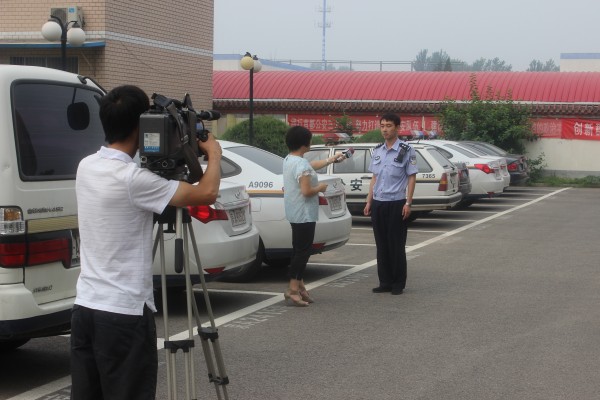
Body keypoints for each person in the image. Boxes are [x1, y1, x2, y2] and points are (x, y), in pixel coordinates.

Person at [71, 85, 222, 400]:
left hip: (86, 307)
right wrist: (214, 153)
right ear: (141, 125)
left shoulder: (86, 166)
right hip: (123, 314)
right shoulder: (132, 180)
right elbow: (206, 193)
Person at [282, 126, 345, 306]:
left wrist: (331, 159)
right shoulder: (301, 164)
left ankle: (300, 286)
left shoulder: (290, 159)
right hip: (304, 213)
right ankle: (293, 289)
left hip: (294, 212)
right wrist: (320, 188)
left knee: (298, 250)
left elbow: (310, 167)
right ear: (304, 144)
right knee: (303, 251)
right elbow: (307, 191)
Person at [363, 113, 418, 296]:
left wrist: (408, 202)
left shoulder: (406, 150)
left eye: (388, 126)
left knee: (396, 244)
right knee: (381, 244)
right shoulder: (378, 150)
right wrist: (369, 201)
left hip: (396, 203)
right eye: (382, 126)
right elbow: (374, 177)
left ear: (397, 128)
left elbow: (411, 177)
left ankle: (398, 283)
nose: (385, 129)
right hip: (378, 203)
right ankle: (384, 281)